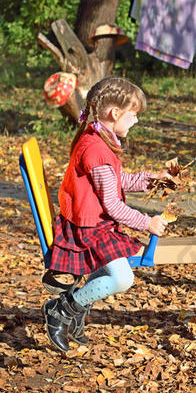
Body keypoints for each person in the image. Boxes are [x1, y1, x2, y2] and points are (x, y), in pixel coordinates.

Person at [42, 76, 169, 352]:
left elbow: (117, 181)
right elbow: (112, 205)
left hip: (93, 223)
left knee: (116, 273)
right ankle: (62, 310)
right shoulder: (97, 149)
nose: (136, 121)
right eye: (133, 115)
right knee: (123, 278)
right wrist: (147, 223)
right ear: (115, 113)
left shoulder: (99, 138)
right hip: (88, 229)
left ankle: (73, 312)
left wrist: (151, 179)